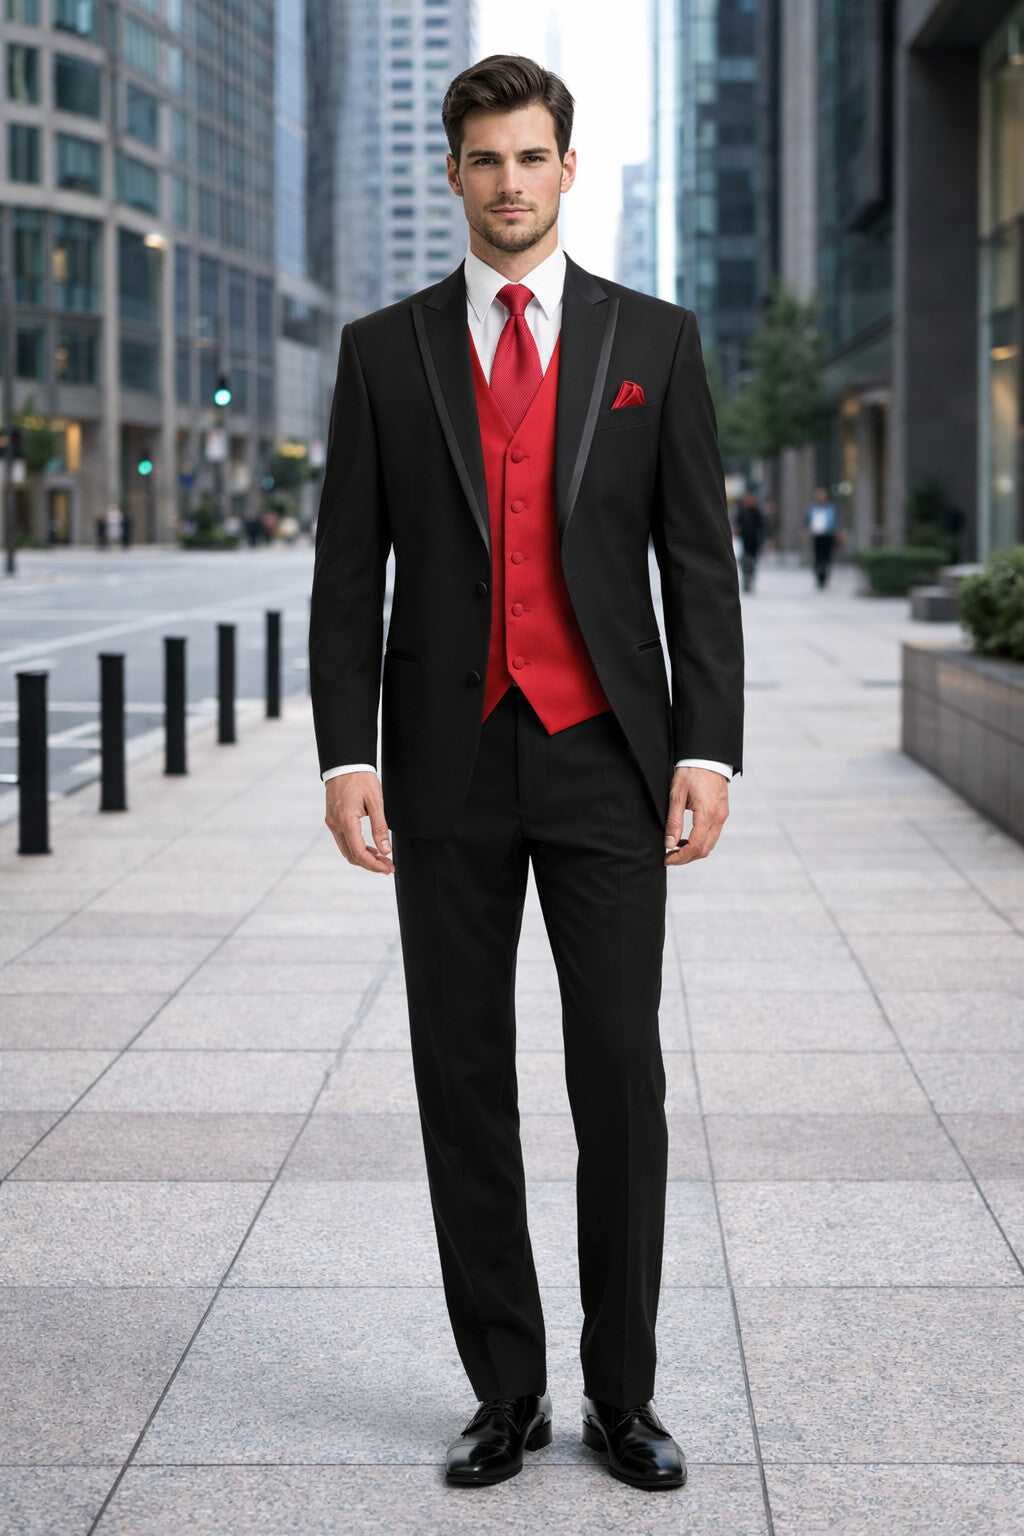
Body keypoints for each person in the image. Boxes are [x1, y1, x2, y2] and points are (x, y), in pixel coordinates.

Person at [309, 55, 743, 1494]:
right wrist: (345, 751)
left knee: (620, 1075)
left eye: (532, 156)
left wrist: (705, 743)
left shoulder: (654, 341)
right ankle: (508, 1390)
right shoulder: (385, 351)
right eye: (485, 158)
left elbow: (697, 564)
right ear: (455, 174)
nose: (509, 181)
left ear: (566, 166)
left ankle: (626, 1396)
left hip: (606, 758)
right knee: (462, 1077)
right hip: (445, 762)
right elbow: (343, 576)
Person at [805, 485, 838, 588]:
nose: (821, 497)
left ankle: (824, 578)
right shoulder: (812, 509)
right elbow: (806, 523)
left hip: (828, 536)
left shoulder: (831, 509)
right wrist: (806, 533)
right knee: (817, 558)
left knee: (827, 558)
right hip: (817, 537)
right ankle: (819, 578)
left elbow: (837, 522)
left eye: (822, 495)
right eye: (819, 495)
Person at [733, 489, 766, 593]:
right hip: (743, 541)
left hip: (754, 542)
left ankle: (750, 581)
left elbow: (762, 527)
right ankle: (745, 582)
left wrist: (765, 540)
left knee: (752, 563)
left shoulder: (756, 512)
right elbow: (736, 524)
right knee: (744, 563)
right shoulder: (742, 511)